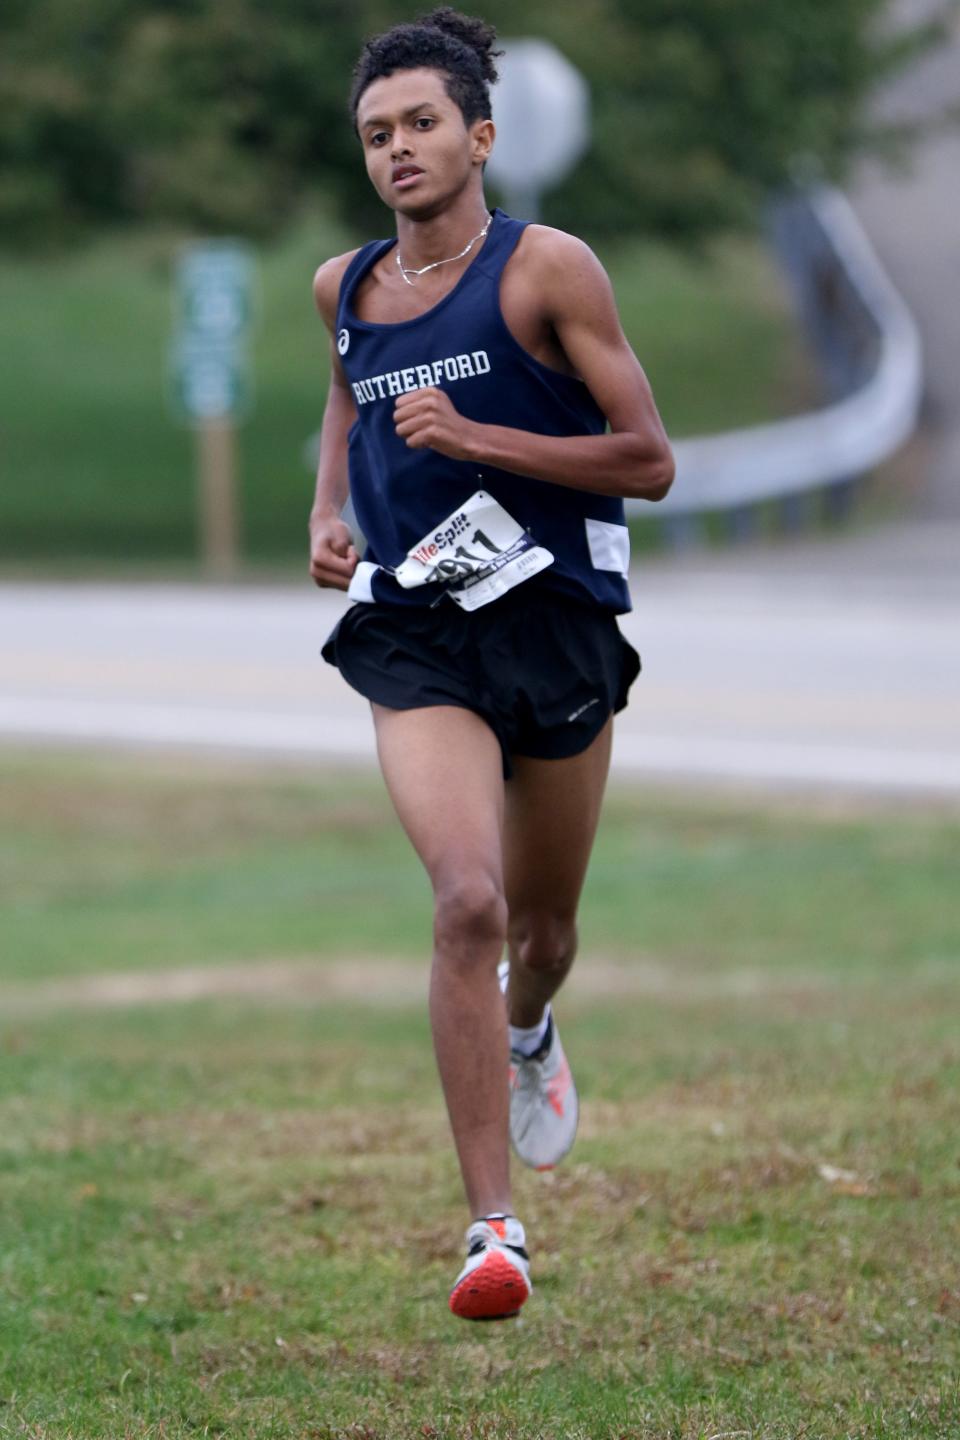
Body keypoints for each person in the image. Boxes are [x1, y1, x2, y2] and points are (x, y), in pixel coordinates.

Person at [309, 6, 674, 1322]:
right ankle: (492, 1231)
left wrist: (478, 439)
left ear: (479, 136)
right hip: (417, 631)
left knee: (543, 927)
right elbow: (348, 398)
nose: (396, 150)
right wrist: (329, 510)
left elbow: (650, 459)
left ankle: (532, 1025)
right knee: (465, 900)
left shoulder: (546, 271)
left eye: (417, 125)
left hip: (558, 619)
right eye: (374, 133)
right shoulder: (343, 287)